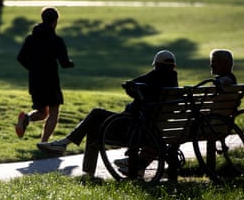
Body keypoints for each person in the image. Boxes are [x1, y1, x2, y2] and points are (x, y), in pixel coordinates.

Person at [37, 50, 180, 180]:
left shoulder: (154, 77)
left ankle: (68, 147)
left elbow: (131, 84)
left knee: (96, 115)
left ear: (156, 65)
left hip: (133, 129)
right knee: (95, 121)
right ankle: (136, 170)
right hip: (154, 131)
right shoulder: (173, 84)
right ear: (173, 67)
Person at [16, 7, 74, 143]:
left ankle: (26, 118)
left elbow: (20, 57)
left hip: (34, 80)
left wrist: (33, 69)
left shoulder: (30, 38)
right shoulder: (56, 40)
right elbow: (64, 63)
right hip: (50, 81)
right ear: (55, 21)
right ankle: (44, 142)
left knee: (42, 112)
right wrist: (71, 63)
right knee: (54, 111)